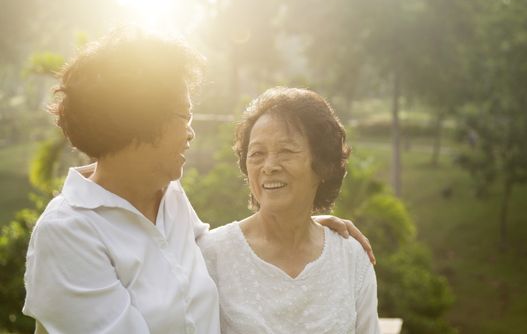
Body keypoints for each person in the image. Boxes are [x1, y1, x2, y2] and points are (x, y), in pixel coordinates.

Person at [22, 29, 374, 333]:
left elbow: (226, 251)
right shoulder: (69, 232)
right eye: (184, 116)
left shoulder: (170, 198)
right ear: (142, 122)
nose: (191, 133)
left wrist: (300, 223)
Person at [199, 87, 381, 333]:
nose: (269, 166)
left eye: (286, 151)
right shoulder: (211, 255)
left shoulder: (351, 257)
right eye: (257, 154)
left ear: (323, 165)